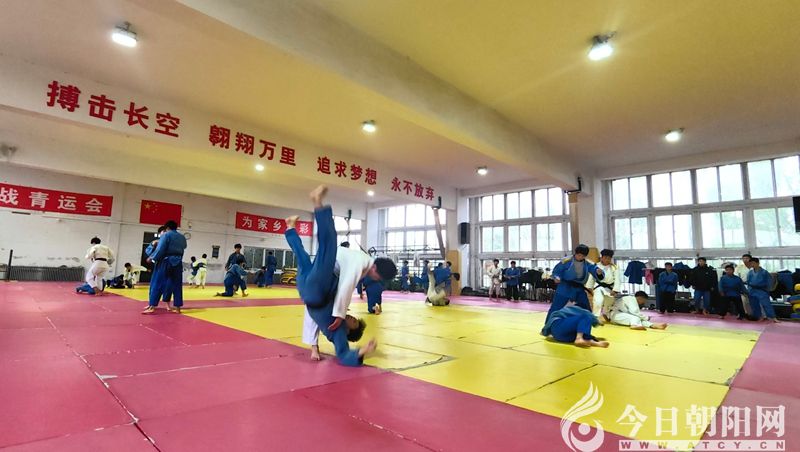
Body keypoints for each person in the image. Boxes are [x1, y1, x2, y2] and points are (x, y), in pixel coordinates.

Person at [286, 185, 392, 364]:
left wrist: (363, 350)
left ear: (349, 331)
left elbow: (343, 354)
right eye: (355, 319)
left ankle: (317, 201)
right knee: (302, 256)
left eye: (354, 322)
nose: (352, 318)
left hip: (316, 291)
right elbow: (344, 289)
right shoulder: (362, 264)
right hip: (310, 288)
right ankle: (290, 228)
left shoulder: (338, 332)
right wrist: (339, 314)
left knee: (329, 244)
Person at [543, 244, 604, 328]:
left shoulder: (588, 263)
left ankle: (593, 321)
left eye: (583, 256)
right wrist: (556, 277)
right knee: (556, 307)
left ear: (585, 256)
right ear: (575, 253)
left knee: (585, 306)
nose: (580, 257)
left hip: (579, 287)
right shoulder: (566, 261)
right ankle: (547, 327)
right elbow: (557, 271)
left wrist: (598, 273)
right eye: (579, 255)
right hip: (565, 286)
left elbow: (594, 269)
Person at [143, 220, 187, 314]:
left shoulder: (166, 235)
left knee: (157, 283)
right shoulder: (182, 237)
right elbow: (184, 247)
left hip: (166, 261)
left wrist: (152, 257)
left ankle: (152, 307)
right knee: (177, 285)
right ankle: (178, 308)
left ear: (167, 228)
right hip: (178, 262)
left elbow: (160, 249)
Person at [541, 302, 609, 348]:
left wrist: (544, 332)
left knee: (584, 333)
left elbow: (549, 324)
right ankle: (579, 339)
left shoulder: (563, 312)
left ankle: (592, 342)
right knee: (585, 317)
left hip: (560, 336)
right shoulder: (576, 309)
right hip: (559, 327)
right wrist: (597, 321)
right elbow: (589, 315)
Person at [586, 249, 620, 319]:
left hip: (610, 288)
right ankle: (595, 317)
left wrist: (615, 290)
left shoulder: (614, 267)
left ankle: (606, 314)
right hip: (598, 286)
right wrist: (589, 287)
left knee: (609, 303)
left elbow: (617, 279)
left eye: (609, 258)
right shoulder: (596, 266)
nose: (607, 260)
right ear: (601, 258)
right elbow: (592, 277)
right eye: (605, 258)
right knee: (598, 301)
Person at [746, 258, 778, 322]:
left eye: (753, 263)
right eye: (751, 263)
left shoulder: (764, 272)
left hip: (762, 290)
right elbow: (748, 282)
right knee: (754, 305)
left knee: (766, 304)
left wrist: (767, 290)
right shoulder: (750, 272)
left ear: (758, 263)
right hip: (752, 290)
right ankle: (759, 317)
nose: (752, 265)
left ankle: (773, 317)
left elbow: (769, 282)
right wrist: (749, 290)